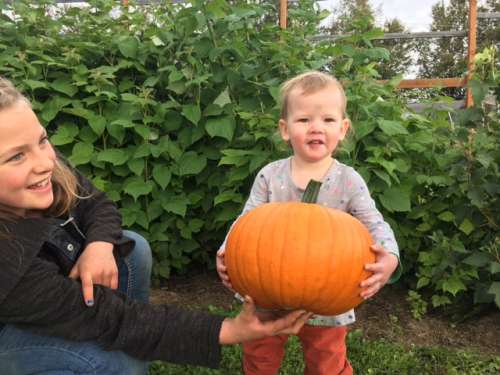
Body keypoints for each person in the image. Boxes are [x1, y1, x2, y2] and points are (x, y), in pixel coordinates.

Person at [0, 76, 312, 375]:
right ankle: (120, 357)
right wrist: (229, 329)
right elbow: (108, 317)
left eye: (42, 140)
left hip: (52, 305)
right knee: (105, 364)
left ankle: (132, 348)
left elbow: (97, 204)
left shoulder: (48, 173)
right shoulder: (7, 260)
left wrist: (98, 245)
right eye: (15, 157)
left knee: (134, 250)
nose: (44, 162)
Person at [216, 71, 402, 375]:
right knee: (259, 354)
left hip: (328, 295)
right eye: (304, 120)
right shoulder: (270, 176)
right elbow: (245, 221)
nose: (316, 127)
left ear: (342, 129)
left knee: (326, 359)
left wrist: (390, 257)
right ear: (285, 129)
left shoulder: (348, 181)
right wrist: (226, 251)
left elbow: (375, 224)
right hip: (267, 290)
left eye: (328, 120)